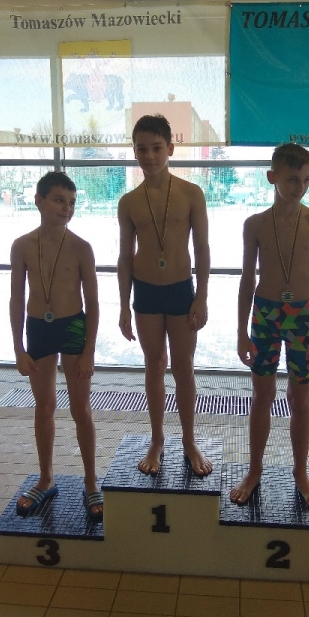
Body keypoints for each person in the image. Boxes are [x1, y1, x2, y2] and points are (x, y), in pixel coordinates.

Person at [230, 143, 309, 511]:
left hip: (304, 316)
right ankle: (254, 469)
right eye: (292, 179)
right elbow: (247, 279)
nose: (299, 187)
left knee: (300, 398)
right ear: (272, 177)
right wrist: (241, 331)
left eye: (306, 180)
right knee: (262, 396)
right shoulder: (255, 225)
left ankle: (300, 473)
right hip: (265, 314)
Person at [117, 114, 212, 476]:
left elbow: (202, 249)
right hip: (145, 293)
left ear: (170, 149)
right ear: (134, 151)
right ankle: (157, 439)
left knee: (183, 368)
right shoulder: (129, 202)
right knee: (154, 365)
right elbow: (124, 257)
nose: (150, 156)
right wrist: (123, 306)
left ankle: (189, 440)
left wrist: (201, 297)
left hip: (180, 290)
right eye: (142, 149)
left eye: (157, 148)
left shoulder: (191, 194)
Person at [9, 171, 102, 518]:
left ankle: (91, 481)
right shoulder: (22, 246)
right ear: (39, 201)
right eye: (59, 200)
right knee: (44, 407)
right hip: (38, 328)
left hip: (73, 326)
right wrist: (18, 348)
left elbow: (93, 303)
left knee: (80, 409)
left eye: (72, 203)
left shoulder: (81, 248)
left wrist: (89, 351)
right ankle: (46, 478)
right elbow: (16, 299)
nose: (67, 208)